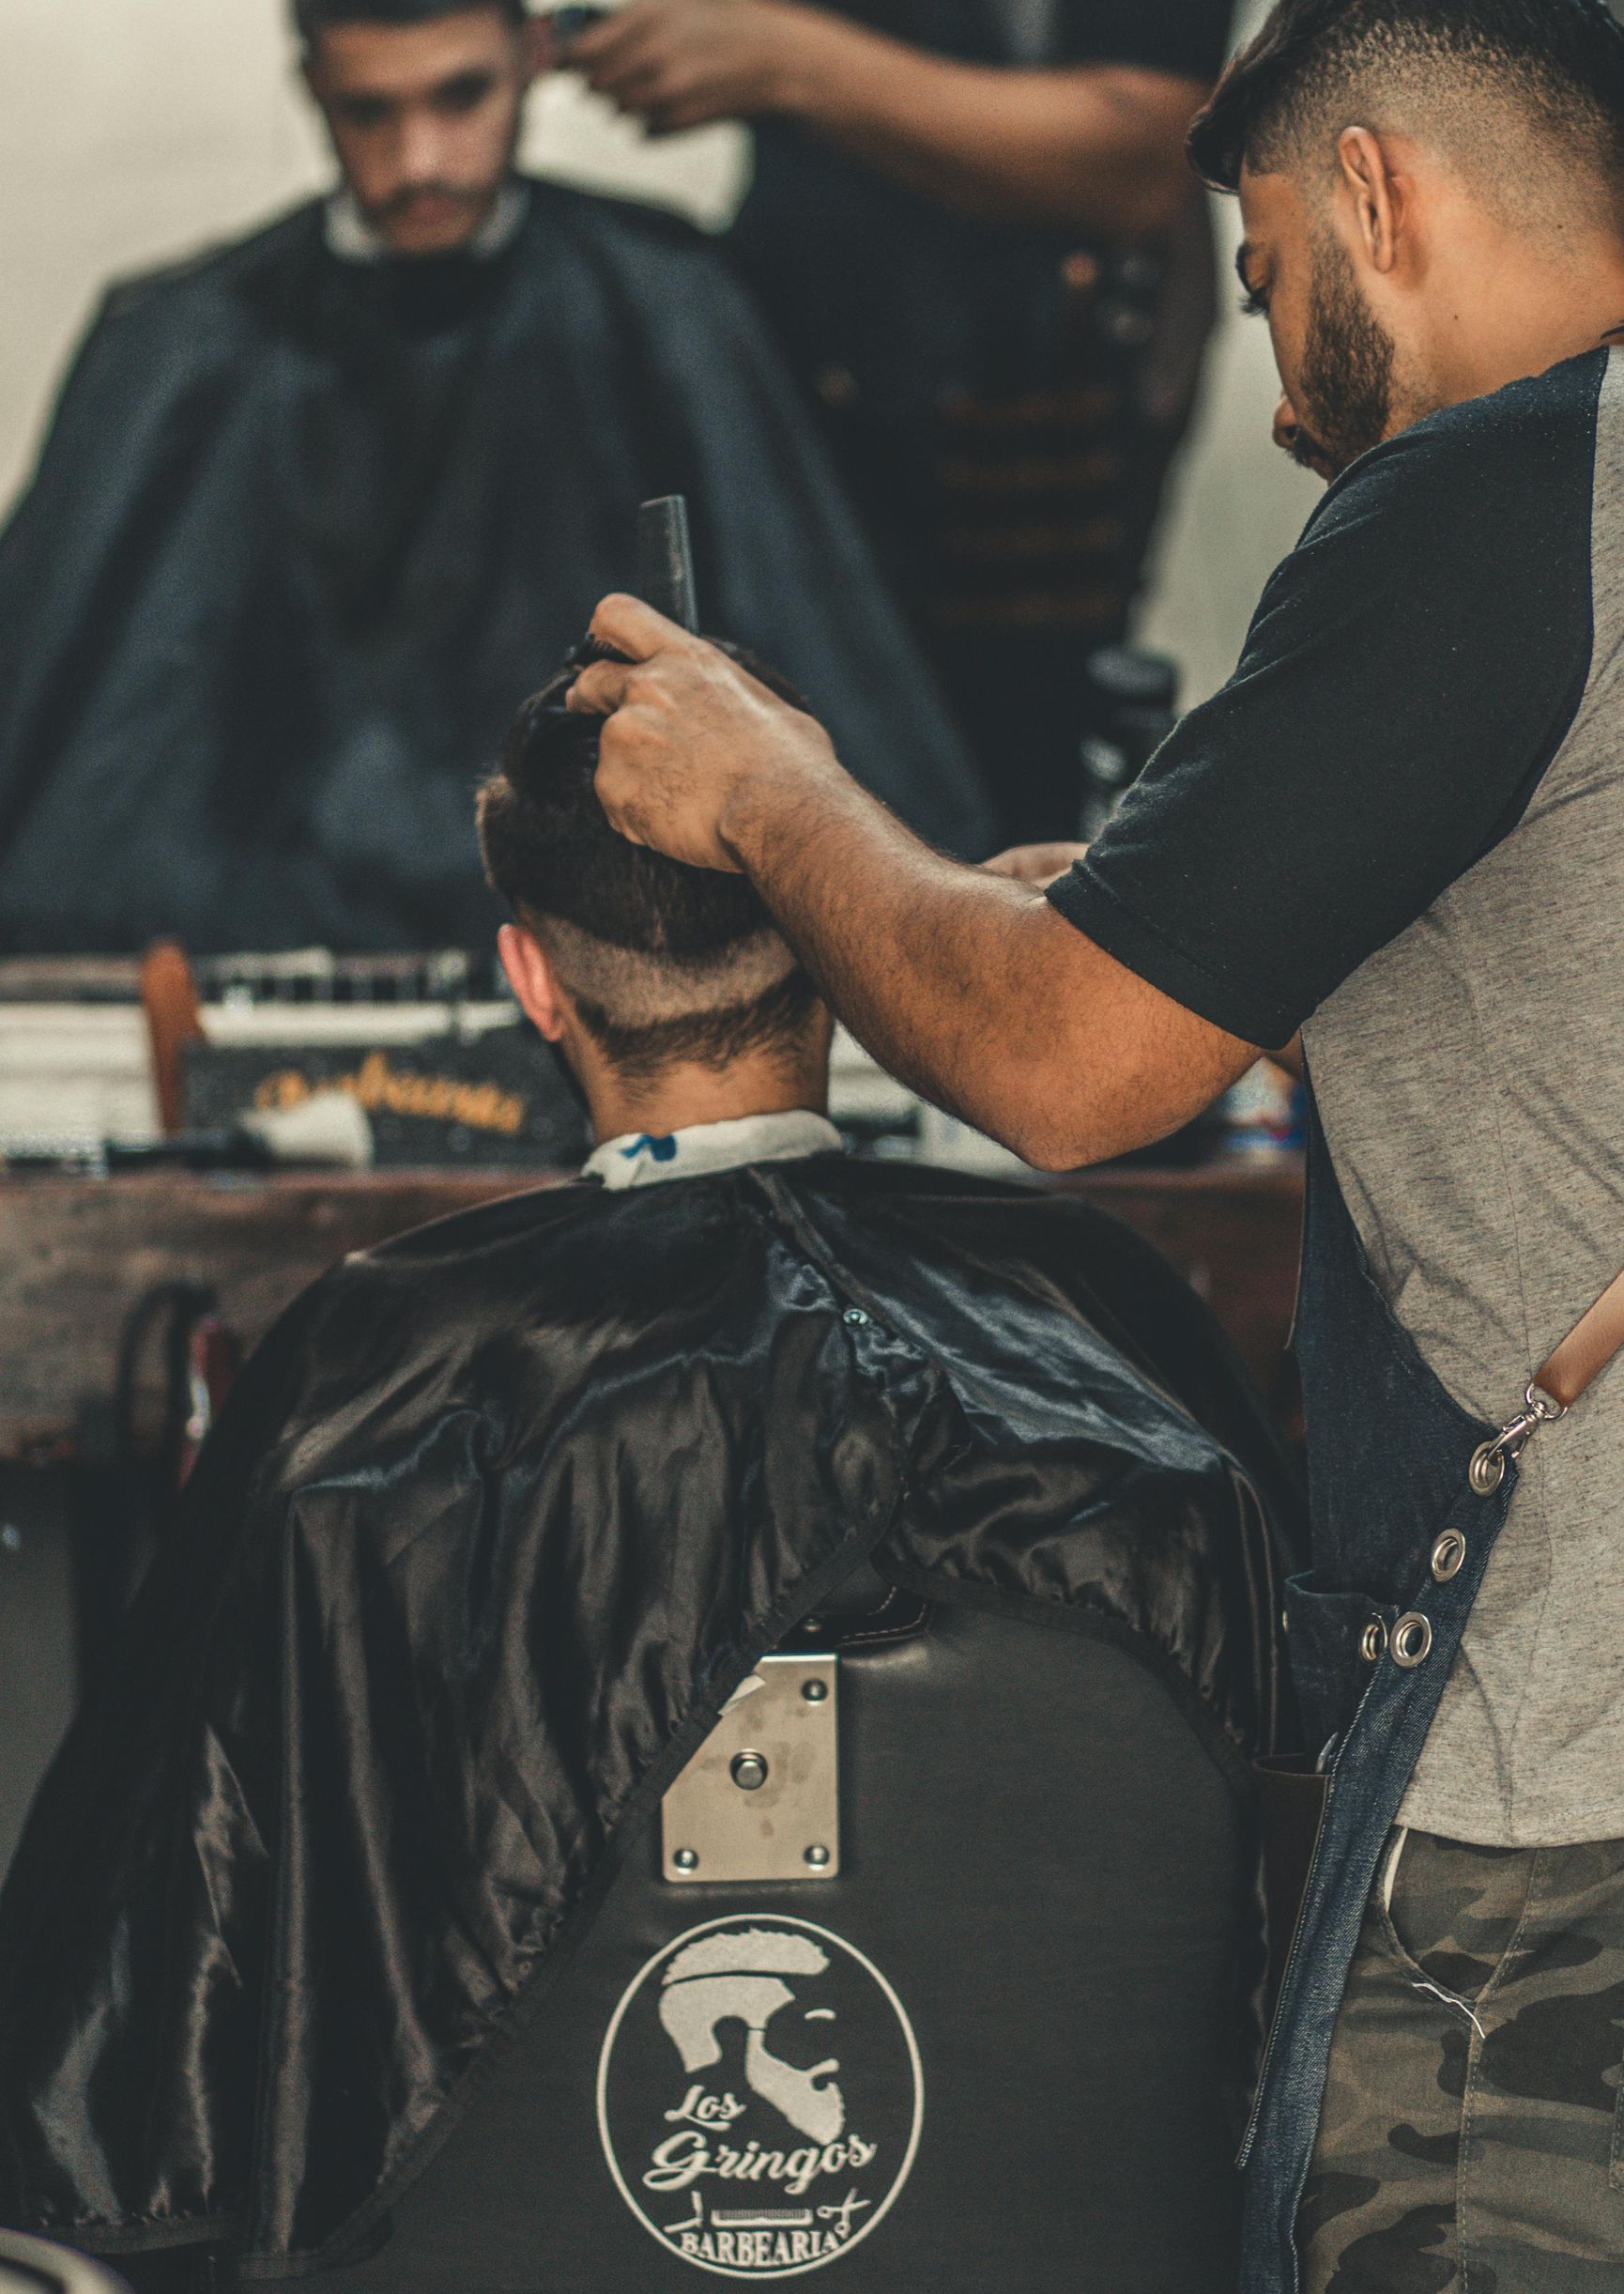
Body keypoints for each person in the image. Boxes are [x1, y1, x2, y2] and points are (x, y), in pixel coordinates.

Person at [559, 0, 1624, 2293]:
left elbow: (1059, 1071)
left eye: (1255, 290)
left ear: (1371, 194)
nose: (1275, 399)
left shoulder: (1500, 493)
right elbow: (1617, 1000)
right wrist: (1211, 952)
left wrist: (773, 789)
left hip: (1589, 1854)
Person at [0, 648, 1290, 2291]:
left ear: (530, 980)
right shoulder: (1105, 1311)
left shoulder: (361, 1377)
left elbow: (142, 2014)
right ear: (841, 948)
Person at [0, 0, 987, 959]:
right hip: (237, 936)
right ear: (313, 88)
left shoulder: (668, 307)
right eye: (371, 111)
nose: (420, 160)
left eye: (459, 95)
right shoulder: (178, 342)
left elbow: (847, 721)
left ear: (527, 57)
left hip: (608, 941)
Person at [437, 0, 1263, 838]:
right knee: (799, 730)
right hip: (800, 315)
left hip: (1033, 381)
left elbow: (1139, 151)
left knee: (979, 792)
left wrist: (782, 59)